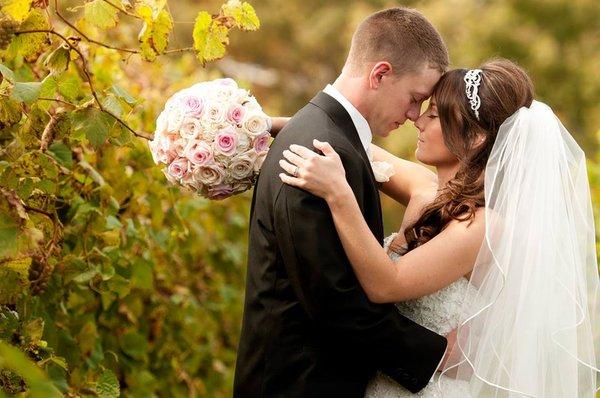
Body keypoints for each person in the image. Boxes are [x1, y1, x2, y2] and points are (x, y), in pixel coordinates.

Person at [278, 58, 600, 396]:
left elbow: (386, 285)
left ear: (474, 137)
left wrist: (338, 194)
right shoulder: (426, 189)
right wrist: (264, 125)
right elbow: (346, 143)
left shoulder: (482, 225)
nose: (417, 119)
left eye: (434, 115)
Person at [234, 7, 452, 398]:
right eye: (414, 98)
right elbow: (332, 299)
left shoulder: (332, 139)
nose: (414, 114)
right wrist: (436, 354)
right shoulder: (317, 149)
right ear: (380, 74)